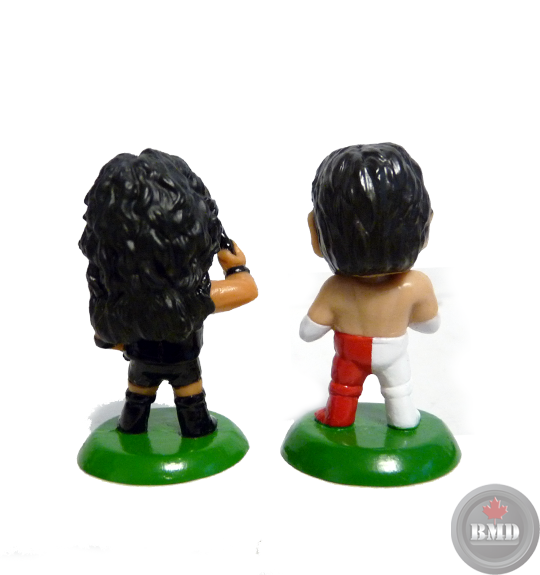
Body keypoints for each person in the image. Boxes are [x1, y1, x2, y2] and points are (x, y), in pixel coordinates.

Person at [79, 149, 257, 437]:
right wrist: (236, 266)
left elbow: (103, 336)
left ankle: (132, 427)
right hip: (184, 361)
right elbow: (247, 290)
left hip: (141, 362)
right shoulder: (193, 297)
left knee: (137, 395)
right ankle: (196, 429)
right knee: (191, 397)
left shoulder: (115, 298)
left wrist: (125, 343)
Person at [300, 143, 439, 429]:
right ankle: (403, 419)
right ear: (425, 227)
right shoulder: (416, 285)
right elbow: (430, 325)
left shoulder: (335, 289)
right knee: (399, 388)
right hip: (395, 351)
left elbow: (308, 331)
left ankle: (338, 418)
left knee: (343, 388)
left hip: (350, 353)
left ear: (316, 233)